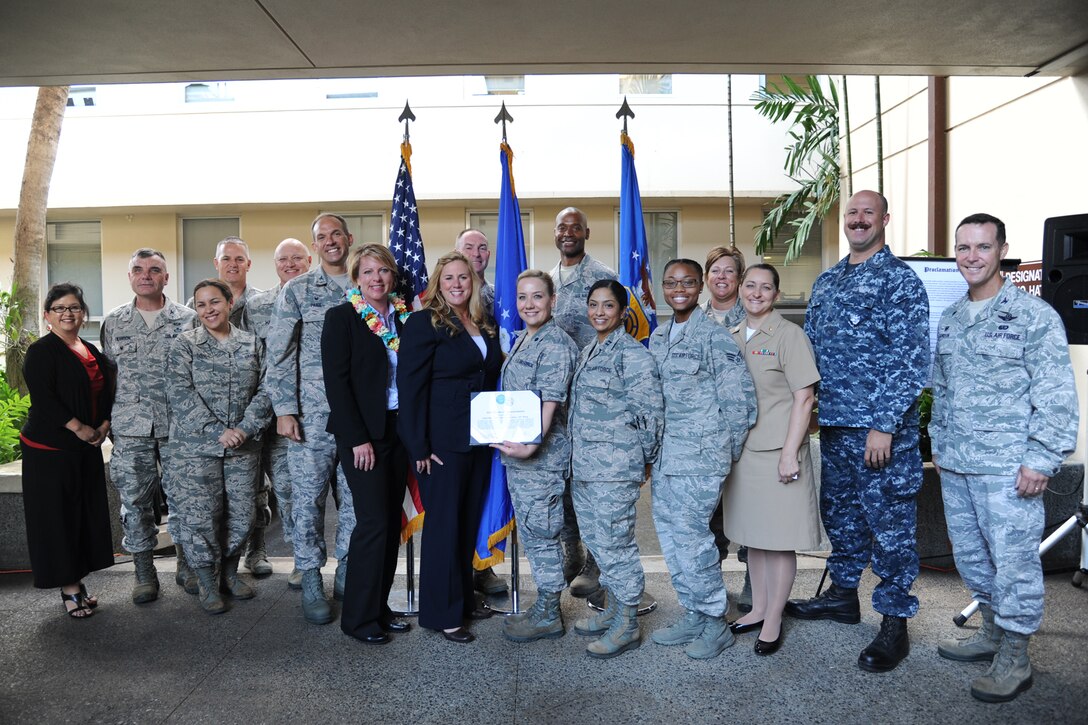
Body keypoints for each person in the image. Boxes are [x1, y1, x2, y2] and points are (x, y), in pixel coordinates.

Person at [930, 213, 1078, 703]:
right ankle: (991, 633)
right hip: (956, 463)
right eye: (964, 248)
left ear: (1001, 251)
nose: (972, 257)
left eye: (982, 247)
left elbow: (1056, 393)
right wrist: (937, 445)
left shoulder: (1034, 316)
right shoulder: (951, 318)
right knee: (972, 558)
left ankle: (1015, 654)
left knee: (1013, 563)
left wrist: (1041, 458)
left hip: (1008, 468)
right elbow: (943, 390)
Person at [787, 190, 930, 673]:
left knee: (889, 527)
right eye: (852, 213)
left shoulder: (899, 281)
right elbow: (814, 353)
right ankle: (843, 597)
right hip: (834, 426)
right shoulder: (828, 282)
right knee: (843, 516)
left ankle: (893, 621)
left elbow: (910, 360)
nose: (859, 220)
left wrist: (884, 424)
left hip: (878, 431)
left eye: (868, 213)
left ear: (885, 219)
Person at [648, 260, 756, 660]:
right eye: (672, 282)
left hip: (701, 458)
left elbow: (740, 401)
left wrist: (722, 456)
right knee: (672, 539)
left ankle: (715, 620)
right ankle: (693, 611)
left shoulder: (713, 336)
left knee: (693, 538)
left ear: (699, 288)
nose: (679, 289)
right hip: (666, 457)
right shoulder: (659, 337)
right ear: (663, 287)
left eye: (688, 283)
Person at [397, 250, 502, 643]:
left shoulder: (482, 323)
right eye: (449, 279)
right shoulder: (424, 323)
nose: (457, 284)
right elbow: (411, 389)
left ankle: (462, 599)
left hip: (478, 440)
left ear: (472, 282)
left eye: (463, 278)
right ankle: (442, 614)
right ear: (437, 284)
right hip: (441, 443)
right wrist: (419, 446)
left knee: (466, 522)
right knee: (444, 526)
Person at [723, 264, 821, 656]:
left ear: (776, 294)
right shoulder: (731, 335)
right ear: (740, 289)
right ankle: (758, 608)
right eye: (750, 286)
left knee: (779, 542)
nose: (757, 293)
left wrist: (788, 454)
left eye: (766, 287)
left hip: (779, 453)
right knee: (757, 539)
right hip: (744, 454)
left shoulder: (788, 335)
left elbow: (805, 398)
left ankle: (775, 617)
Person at [266, 213, 358, 625]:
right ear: (315, 246)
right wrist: (284, 410)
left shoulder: (368, 285)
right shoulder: (298, 290)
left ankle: (348, 572)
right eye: (322, 237)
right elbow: (279, 355)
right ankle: (311, 578)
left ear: (349, 238)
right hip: (310, 420)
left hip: (360, 420)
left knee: (356, 503)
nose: (331, 241)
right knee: (307, 503)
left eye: (336, 233)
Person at [321, 245, 412, 645]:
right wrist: (357, 438)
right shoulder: (341, 318)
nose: (377, 278)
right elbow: (337, 385)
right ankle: (358, 619)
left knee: (391, 523)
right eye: (369, 272)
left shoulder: (407, 319)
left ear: (393, 278)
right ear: (357, 278)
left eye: (384, 272)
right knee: (373, 523)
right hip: (363, 436)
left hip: (399, 431)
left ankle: (379, 606)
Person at [568, 280, 663, 659]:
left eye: (608, 306)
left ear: (623, 312)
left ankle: (627, 622)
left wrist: (644, 459)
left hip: (615, 468)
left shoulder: (633, 355)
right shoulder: (590, 348)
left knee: (616, 544)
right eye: (594, 305)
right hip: (586, 467)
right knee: (600, 544)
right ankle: (613, 611)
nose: (599, 312)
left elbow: (651, 415)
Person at [167, 279, 271, 614]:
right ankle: (207, 581)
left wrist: (244, 428)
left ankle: (229, 573)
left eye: (215, 302)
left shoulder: (252, 344)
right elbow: (180, 393)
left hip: (243, 446)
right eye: (201, 304)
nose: (209, 310)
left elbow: (268, 389)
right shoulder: (184, 345)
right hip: (196, 449)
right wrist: (218, 431)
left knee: (241, 514)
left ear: (229, 303)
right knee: (201, 516)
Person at [101, 249, 197, 603]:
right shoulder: (114, 322)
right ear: (130, 277)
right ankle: (144, 572)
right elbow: (108, 375)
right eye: (138, 270)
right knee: (135, 501)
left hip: (179, 426)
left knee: (185, 499)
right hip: (130, 427)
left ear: (166, 278)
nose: (146, 275)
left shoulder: (188, 319)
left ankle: (187, 566)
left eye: (154, 270)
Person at [492, 270, 579, 642]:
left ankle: (548, 612)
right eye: (523, 297)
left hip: (541, 458)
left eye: (538, 297)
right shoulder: (527, 339)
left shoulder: (555, 343)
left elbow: (551, 399)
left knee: (541, 533)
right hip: (523, 456)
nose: (529, 304)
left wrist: (531, 443)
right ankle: (545, 605)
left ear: (552, 300)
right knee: (533, 530)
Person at [19, 283, 115, 618]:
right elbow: (45, 400)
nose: (67, 313)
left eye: (73, 307)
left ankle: (78, 581)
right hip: (50, 449)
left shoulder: (89, 349)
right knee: (58, 519)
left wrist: (103, 426)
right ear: (47, 315)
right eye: (59, 308)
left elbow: (106, 393)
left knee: (81, 516)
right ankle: (69, 588)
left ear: (83, 313)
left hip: (84, 448)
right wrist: (80, 428)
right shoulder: (42, 352)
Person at [549, 207, 618, 598]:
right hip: (556, 402)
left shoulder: (603, 277)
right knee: (564, 478)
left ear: (587, 232)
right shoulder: (548, 280)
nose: (568, 233)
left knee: (593, 483)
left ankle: (595, 561)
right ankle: (570, 553)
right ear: (555, 234)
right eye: (562, 227)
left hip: (593, 399)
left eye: (576, 226)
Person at [243, 238, 311, 582]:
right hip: (277, 417)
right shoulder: (257, 306)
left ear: (309, 260)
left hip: (320, 410)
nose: (290, 263)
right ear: (274, 265)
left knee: (327, 494)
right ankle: (303, 560)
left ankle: (344, 562)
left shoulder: (327, 297)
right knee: (286, 491)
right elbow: (250, 359)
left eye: (297, 258)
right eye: (283, 259)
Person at [454, 227, 506, 597]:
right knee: (457, 495)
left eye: (483, 247)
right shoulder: (440, 295)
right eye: (468, 247)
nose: (477, 252)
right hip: (455, 413)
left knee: (487, 492)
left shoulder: (499, 294)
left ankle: (482, 566)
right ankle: (457, 568)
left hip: (494, 409)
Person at [703, 246, 748, 573]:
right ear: (706, 277)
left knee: (749, 509)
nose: (721, 277)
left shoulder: (754, 317)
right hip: (704, 431)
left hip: (747, 428)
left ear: (740, 278)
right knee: (709, 513)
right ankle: (711, 584)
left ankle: (754, 584)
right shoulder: (692, 319)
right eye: (715, 270)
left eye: (729, 271)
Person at [187, 236, 261, 329]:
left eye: (239, 259)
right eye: (226, 259)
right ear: (216, 263)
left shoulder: (263, 302)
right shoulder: (196, 304)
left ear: (248, 264)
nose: (233, 264)